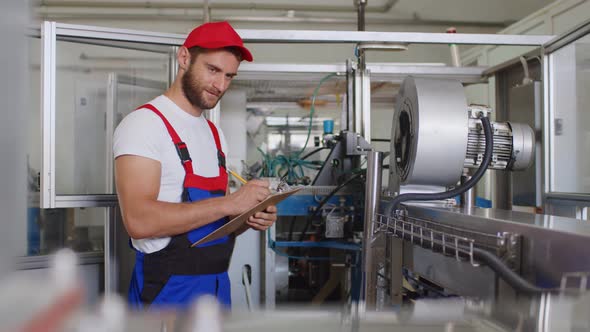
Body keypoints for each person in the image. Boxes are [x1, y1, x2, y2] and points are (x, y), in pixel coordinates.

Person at [113, 21, 277, 310]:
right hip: (166, 293)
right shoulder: (145, 125)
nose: (221, 85)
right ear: (184, 57)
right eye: (213, 70)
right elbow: (138, 221)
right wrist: (231, 203)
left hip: (216, 287)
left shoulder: (214, 135)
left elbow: (213, 227)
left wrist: (246, 217)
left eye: (229, 76)